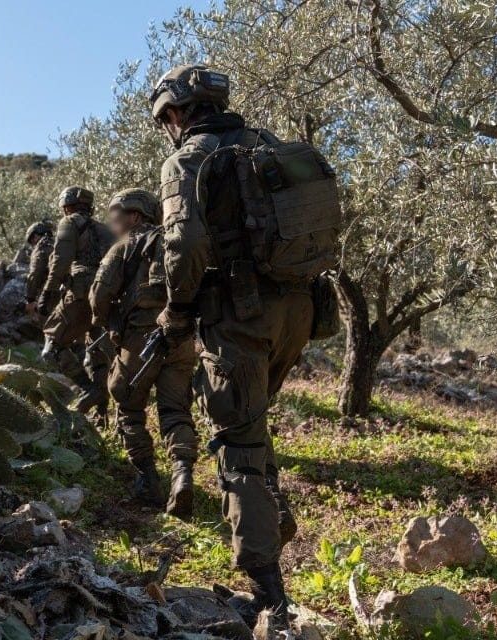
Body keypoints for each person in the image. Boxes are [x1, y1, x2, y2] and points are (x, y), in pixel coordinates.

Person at [153, 63, 325, 632]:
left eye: (167, 116)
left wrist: (178, 314)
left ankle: (269, 596)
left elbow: (184, 247)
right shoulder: (268, 147)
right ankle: (273, 517)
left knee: (236, 445)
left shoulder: (187, 159)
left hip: (239, 316)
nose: (168, 126)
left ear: (178, 111)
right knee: (251, 421)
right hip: (296, 312)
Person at [89, 189, 198, 516]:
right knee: (176, 410)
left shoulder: (124, 248)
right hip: (180, 340)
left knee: (127, 405)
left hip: (140, 340)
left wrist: (106, 322)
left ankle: (147, 480)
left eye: (116, 214)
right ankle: (182, 475)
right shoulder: (179, 246)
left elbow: (98, 295)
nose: (112, 221)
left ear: (135, 216)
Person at [34, 186, 114, 419]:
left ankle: (89, 390)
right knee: (97, 351)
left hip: (80, 293)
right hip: (107, 295)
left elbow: (60, 260)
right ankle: (101, 415)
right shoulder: (105, 229)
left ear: (66, 205)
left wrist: (47, 292)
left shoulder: (70, 223)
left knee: (52, 345)